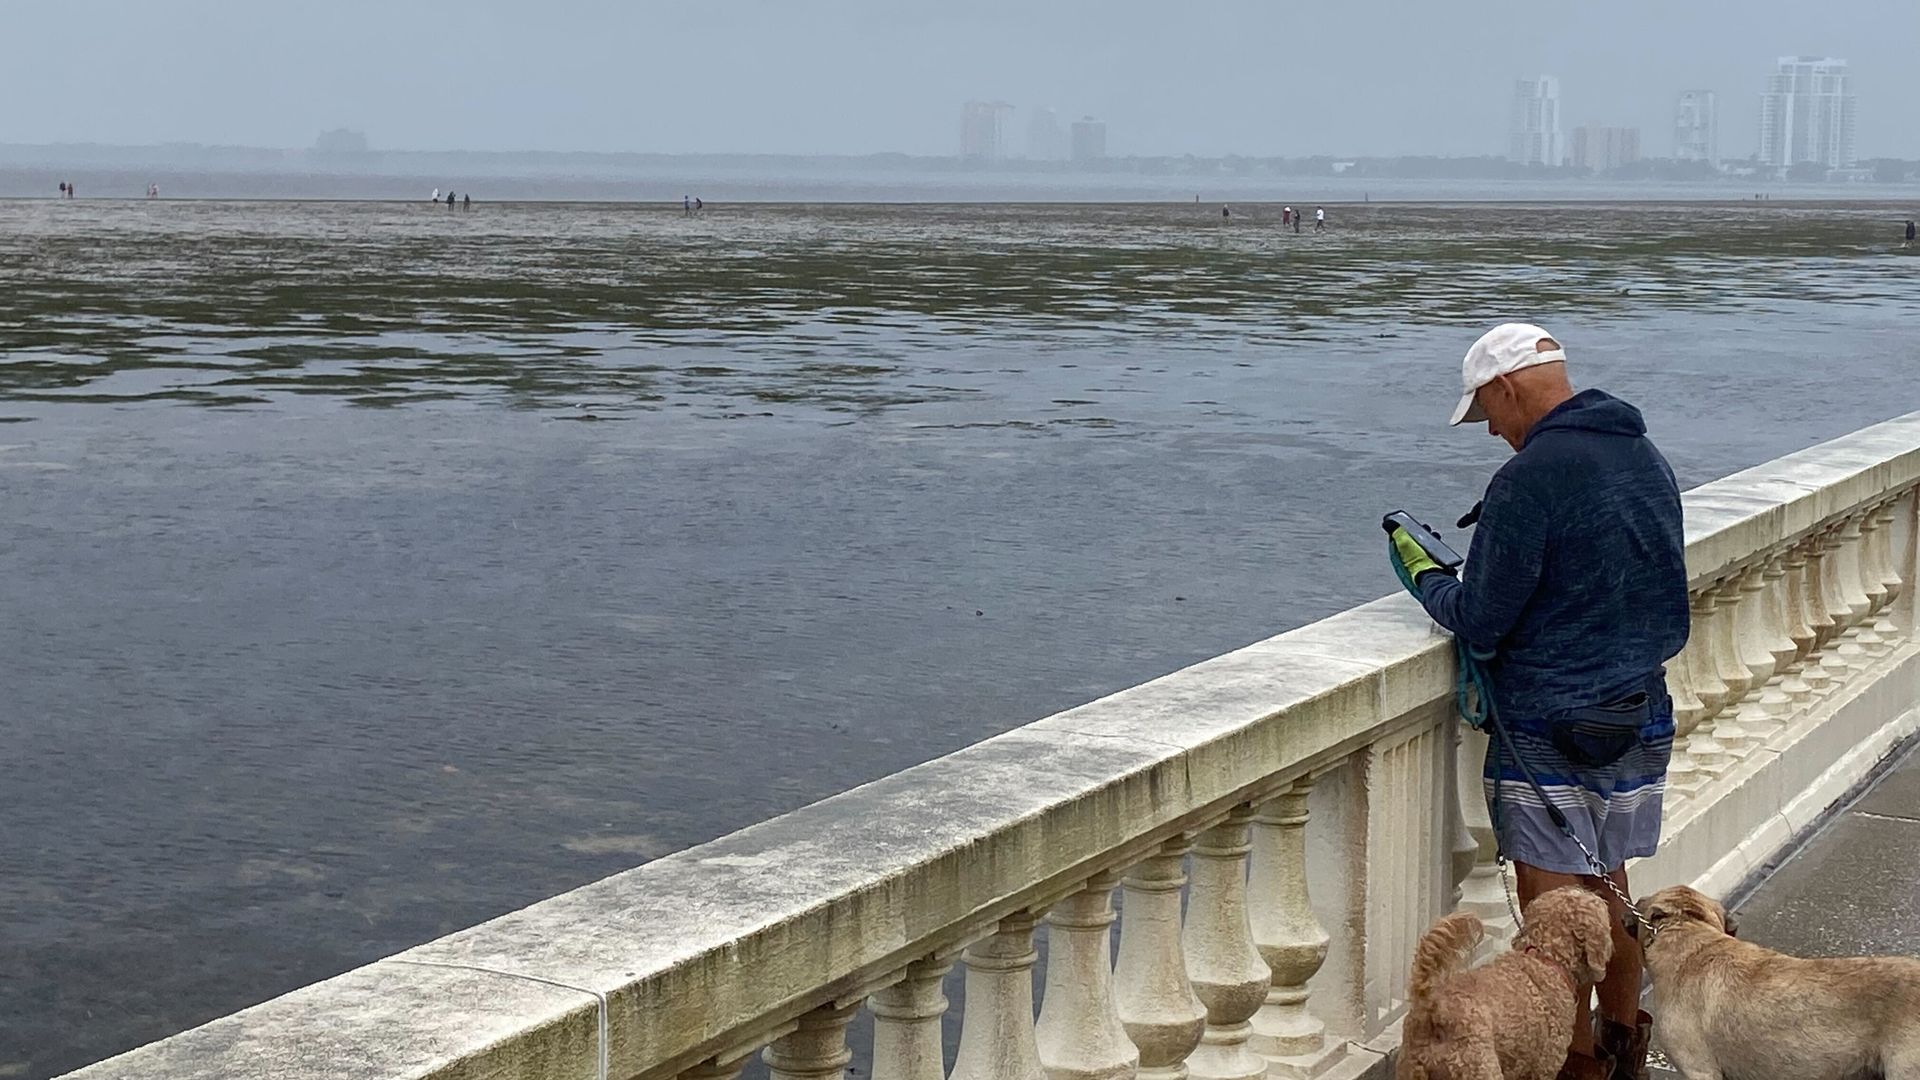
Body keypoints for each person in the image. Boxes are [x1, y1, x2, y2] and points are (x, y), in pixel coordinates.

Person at [1388, 323, 1688, 1080]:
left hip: (1550, 722)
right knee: (1611, 887)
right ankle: (1625, 1048)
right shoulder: (1644, 456)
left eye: (1486, 411)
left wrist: (1425, 577)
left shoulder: (1528, 479)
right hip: (1638, 708)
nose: (1491, 429)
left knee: (1556, 917)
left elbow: (1483, 617)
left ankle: (1578, 1063)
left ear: (1507, 386)